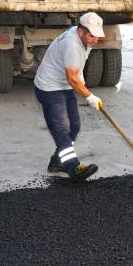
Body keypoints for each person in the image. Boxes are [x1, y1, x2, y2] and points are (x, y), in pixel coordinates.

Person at [34, 12, 105, 181]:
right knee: (62, 129)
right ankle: (74, 167)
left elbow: (76, 71)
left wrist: (82, 85)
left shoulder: (83, 39)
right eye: (92, 36)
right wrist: (90, 97)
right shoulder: (71, 43)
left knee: (74, 126)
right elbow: (72, 77)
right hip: (49, 88)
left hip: (64, 86)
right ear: (81, 32)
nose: (96, 40)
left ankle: (57, 162)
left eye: (97, 36)